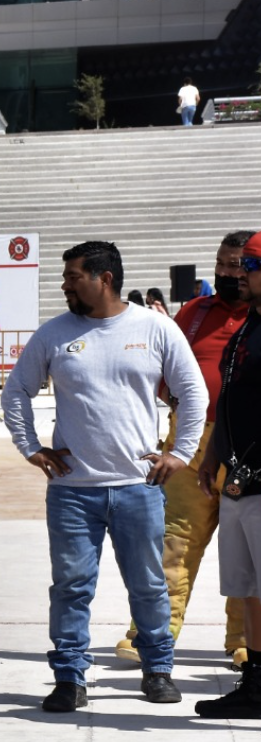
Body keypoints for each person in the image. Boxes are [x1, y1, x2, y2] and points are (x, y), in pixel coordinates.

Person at [2, 241, 206, 712]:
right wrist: (31, 448)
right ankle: (70, 677)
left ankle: (157, 670)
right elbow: (17, 393)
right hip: (73, 491)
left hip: (139, 488)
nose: (65, 285)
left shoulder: (154, 328)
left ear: (104, 278)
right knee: (71, 587)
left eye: (73, 277)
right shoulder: (54, 334)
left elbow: (192, 392)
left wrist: (181, 452)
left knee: (149, 584)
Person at [116, 232, 256, 668]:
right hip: (192, 443)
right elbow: (161, 367)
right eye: (222, 264)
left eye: (239, 265)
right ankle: (153, 632)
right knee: (173, 541)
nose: (229, 273)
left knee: (249, 546)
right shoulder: (194, 313)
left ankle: (247, 642)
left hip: (248, 445)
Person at [196, 232, 261, 719]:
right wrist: (212, 456)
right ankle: (255, 683)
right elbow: (229, 398)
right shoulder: (246, 329)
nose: (241, 273)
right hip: (238, 478)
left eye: (251, 265)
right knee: (250, 588)